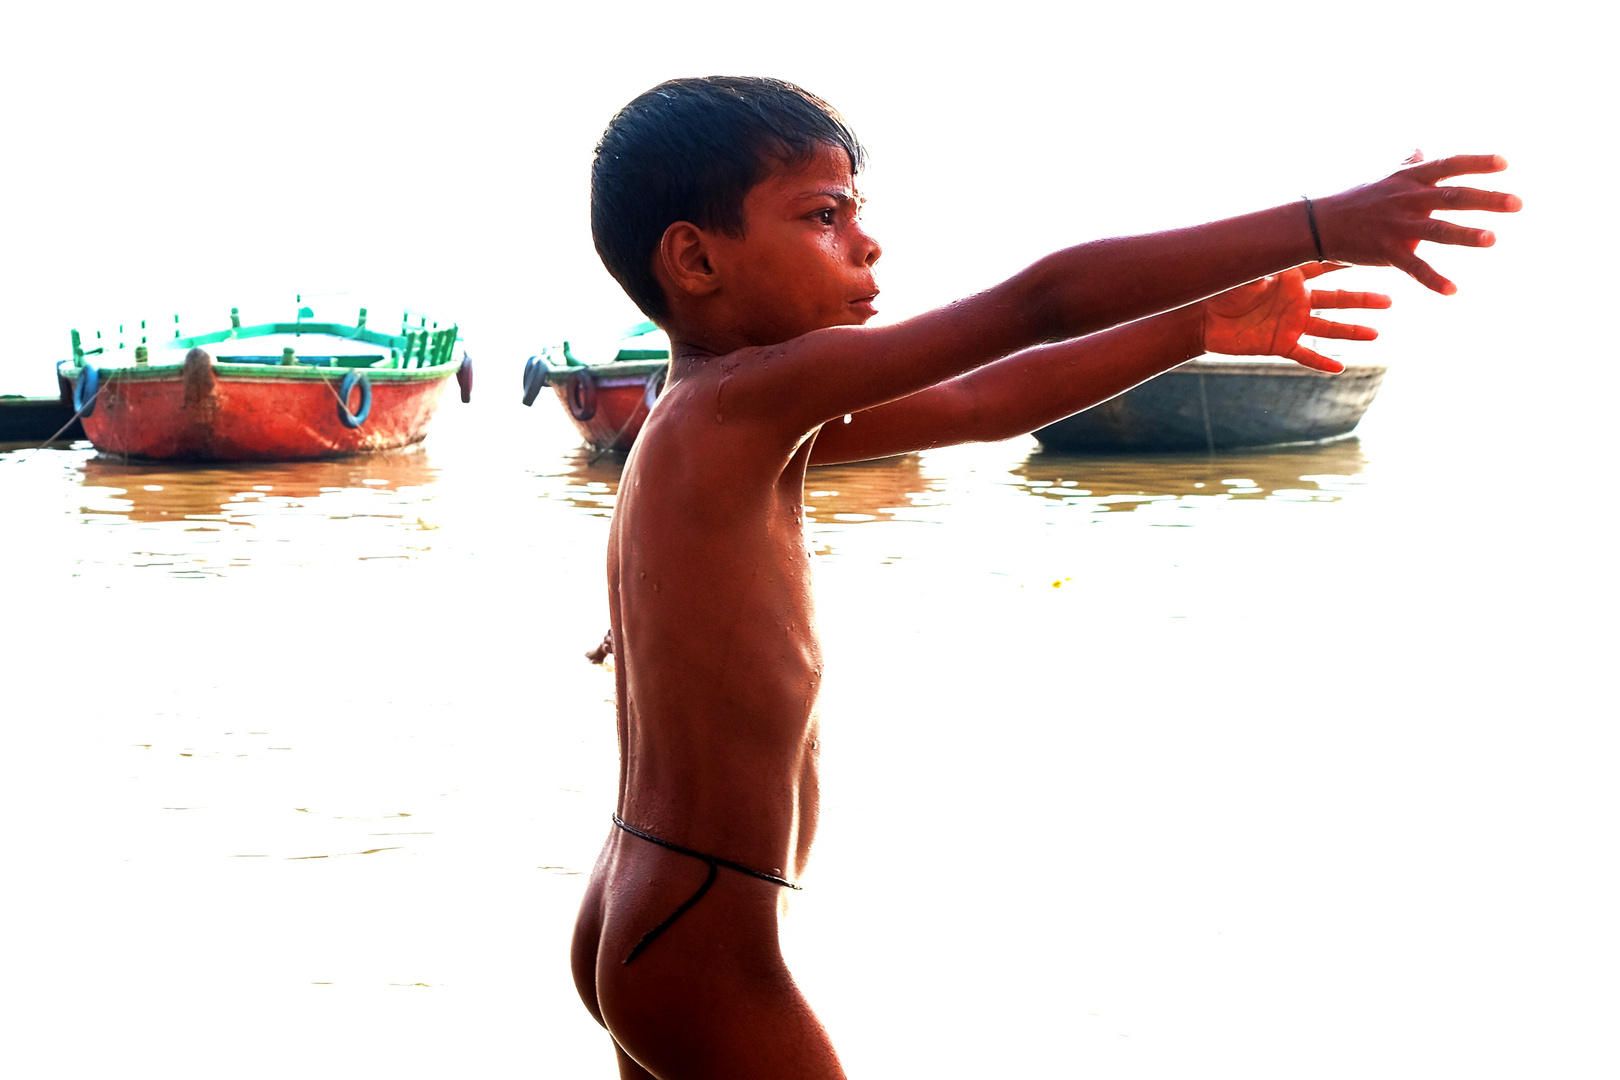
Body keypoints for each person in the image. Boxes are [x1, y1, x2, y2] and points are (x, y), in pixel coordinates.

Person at [568, 76, 1519, 1079]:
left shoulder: (717, 422)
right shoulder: (747, 403)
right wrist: (1323, 225)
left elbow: (985, 399)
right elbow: (1041, 303)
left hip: (650, 912)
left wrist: (1191, 331)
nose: (866, 242)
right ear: (695, 258)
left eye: (857, 211)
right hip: (703, 938)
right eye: (823, 215)